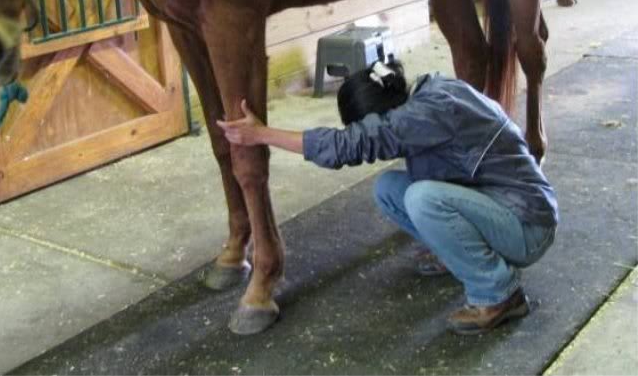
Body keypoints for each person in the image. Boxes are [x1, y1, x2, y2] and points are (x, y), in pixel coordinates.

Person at [217, 59, 558, 335]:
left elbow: (343, 147)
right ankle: (464, 256)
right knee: (390, 190)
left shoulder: (420, 116)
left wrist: (260, 134)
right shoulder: (429, 91)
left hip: (527, 226)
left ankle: (499, 295)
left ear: (380, 115)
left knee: (424, 198)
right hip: (499, 204)